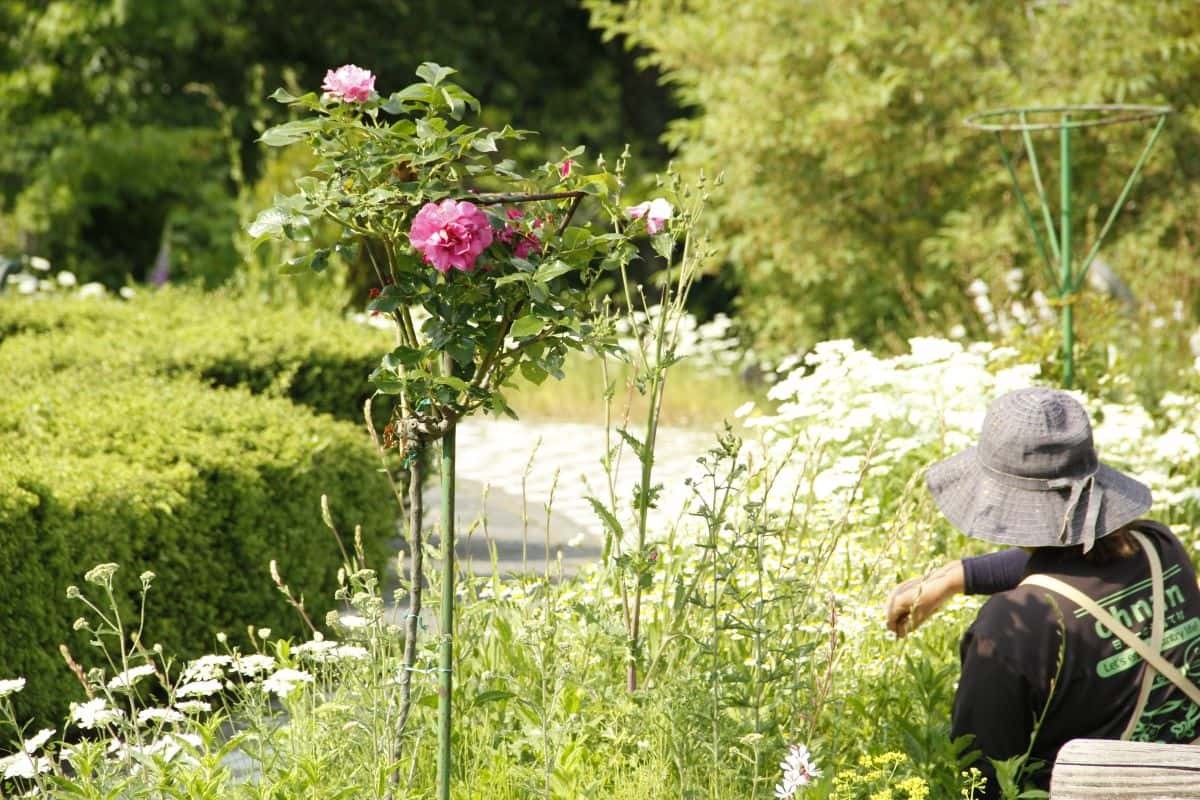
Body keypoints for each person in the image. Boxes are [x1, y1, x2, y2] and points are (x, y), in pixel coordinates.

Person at [885, 387, 1200, 797]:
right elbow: (1073, 562)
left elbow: (982, 777)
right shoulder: (1158, 547)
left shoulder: (1012, 627)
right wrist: (955, 577)